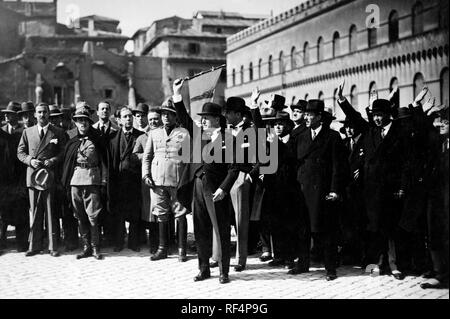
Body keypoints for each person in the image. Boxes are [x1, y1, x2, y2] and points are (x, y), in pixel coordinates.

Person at [337, 80, 413, 280]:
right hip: (370, 190)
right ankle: (376, 264)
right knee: (373, 229)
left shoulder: (400, 133)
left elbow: (406, 164)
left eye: (380, 115)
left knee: (391, 229)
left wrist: (402, 187)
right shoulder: (370, 131)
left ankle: (395, 265)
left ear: (388, 115)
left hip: (391, 189)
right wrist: (342, 100)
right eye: (375, 115)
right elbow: (354, 117)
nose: (377, 119)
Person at [173, 78, 239, 284]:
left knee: (220, 230)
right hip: (198, 187)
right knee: (200, 229)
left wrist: (224, 188)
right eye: (202, 118)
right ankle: (203, 269)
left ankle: (223, 272)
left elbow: (234, 168)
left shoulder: (229, 140)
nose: (202, 121)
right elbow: (184, 118)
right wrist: (177, 94)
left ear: (218, 120)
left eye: (207, 118)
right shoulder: (199, 135)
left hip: (217, 190)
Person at [294, 99, 349, 281]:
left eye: (310, 115)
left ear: (319, 117)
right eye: (306, 114)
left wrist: (335, 190)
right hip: (303, 190)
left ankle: (330, 268)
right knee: (302, 229)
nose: (307, 117)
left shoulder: (332, 137)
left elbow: (338, 167)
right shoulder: (300, 135)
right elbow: (293, 161)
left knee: (326, 231)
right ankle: (303, 264)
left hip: (323, 191)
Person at [17, 103, 68, 257]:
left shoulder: (57, 132)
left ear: (48, 114)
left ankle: (53, 246)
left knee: (50, 212)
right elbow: (20, 152)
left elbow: (64, 152)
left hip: (49, 176)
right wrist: (30, 160)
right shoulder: (27, 132)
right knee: (35, 211)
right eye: (39, 112)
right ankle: (34, 245)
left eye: (44, 112)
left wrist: (53, 160)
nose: (42, 115)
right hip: (33, 177)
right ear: (34, 115)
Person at [142, 100, 189, 262]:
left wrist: (185, 179)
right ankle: (163, 248)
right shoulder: (154, 133)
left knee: (180, 214)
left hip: (177, 180)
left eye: (169, 114)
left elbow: (189, 158)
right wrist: (146, 175)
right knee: (161, 214)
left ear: (175, 116)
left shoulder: (183, 133)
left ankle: (182, 249)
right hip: (157, 180)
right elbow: (147, 157)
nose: (166, 117)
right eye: (163, 114)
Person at [61, 104, 109, 260]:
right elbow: (67, 162)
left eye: (85, 120)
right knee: (80, 215)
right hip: (75, 180)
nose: (83, 123)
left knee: (93, 215)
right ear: (75, 122)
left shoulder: (97, 138)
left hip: (91, 179)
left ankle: (95, 247)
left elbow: (104, 161)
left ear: (89, 122)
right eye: (79, 120)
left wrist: (103, 180)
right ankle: (86, 247)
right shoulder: (71, 139)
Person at [223, 96, 260, 272]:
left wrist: (250, 175)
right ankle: (220, 256)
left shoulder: (251, 131)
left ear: (238, 114)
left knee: (241, 221)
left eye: (229, 113)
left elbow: (261, 157)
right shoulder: (225, 131)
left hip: (241, 178)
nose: (226, 115)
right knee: (224, 218)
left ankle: (240, 258)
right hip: (224, 178)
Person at [109, 107, 144, 252]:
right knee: (119, 213)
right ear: (119, 120)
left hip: (135, 180)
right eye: (125, 117)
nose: (128, 119)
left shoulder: (140, 136)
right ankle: (119, 242)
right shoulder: (112, 138)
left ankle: (133, 242)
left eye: (130, 116)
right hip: (119, 181)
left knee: (135, 212)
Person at [133, 106, 162, 254]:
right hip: (149, 178)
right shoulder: (142, 137)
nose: (153, 122)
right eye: (151, 120)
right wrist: (147, 156)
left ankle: (166, 242)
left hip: (163, 177)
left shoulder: (165, 135)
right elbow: (135, 154)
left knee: (164, 211)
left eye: (156, 119)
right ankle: (153, 243)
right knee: (150, 211)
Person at [0, 102, 28, 252]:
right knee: (3, 213)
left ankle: (22, 244)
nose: (6, 115)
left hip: (19, 180)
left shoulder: (25, 132)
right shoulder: (1, 132)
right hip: (4, 181)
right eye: (5, 113)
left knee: (21, 212)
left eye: (9, 113)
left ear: (16, 116)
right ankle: (2, 242)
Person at [92, 101, 118, 247]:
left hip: (111, 173)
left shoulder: (116, 130)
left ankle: (110, 237)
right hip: (96, 173)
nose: (104, 111)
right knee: (97, 205)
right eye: (102, 109)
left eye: (107, 109)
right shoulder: (92, 130)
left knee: (109, 205)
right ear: (97, 112)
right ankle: (97, 237)